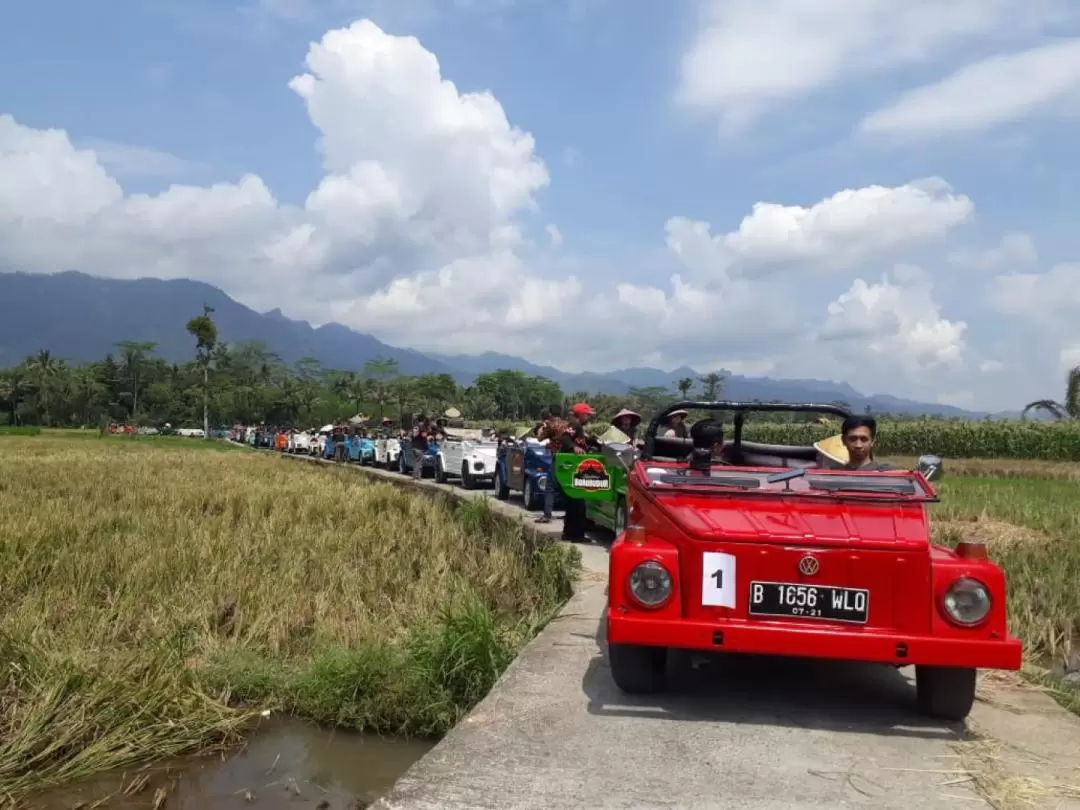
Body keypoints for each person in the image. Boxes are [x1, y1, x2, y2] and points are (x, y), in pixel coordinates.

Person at [820, 415, 895, 471]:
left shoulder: (887, 473)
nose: (858, 445)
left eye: (864, 439)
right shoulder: (834, 474)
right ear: (843, 440)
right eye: (852, 439)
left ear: (872, 441)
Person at [410, 415, 430, 479]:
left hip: (414, 447)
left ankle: (418, 476)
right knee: (419, 462)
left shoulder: (416, 427)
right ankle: (415, 476)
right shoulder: (422, 427)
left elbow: (412, 436)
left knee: (418, 461)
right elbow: (424, 437)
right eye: (428, 421)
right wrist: (427, 447)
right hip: (419, 448)